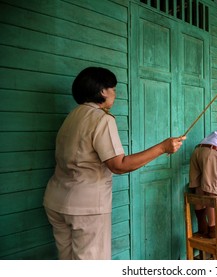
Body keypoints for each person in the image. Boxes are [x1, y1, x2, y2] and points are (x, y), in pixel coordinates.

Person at [43, 67, 185, 260]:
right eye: (113, 89)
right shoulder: (101, 119)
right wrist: (162, 148)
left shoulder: (71, 117)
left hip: (56, 201)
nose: (114, 94)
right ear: (102, 91)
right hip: (86, 208)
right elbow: (119, 165)